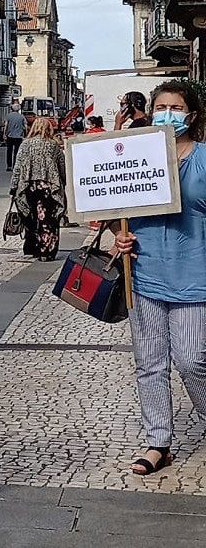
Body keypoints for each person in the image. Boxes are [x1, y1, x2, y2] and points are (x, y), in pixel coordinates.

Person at [114, 80, 206, 476]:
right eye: (161, 106)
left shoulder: (203, 158)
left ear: (192, 115)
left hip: (195, 276)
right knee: (149, 363)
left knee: (191, 361)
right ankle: (159, 442)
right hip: (145, 272)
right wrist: (120, 236)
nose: (168, 113)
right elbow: (119, 207)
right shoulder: (137, 155)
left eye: (176, 106)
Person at [9, 117, 66, 261]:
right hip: (48, 188)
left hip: (28, 186)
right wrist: (63, 183)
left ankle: (32, 247)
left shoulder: (25, 145)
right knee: (48, 219)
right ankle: (47, 250)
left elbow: (17, 167)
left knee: (31, 216)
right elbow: (62, 166)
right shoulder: (53, 145)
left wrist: (14, 186)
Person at [4, 103, 26, 171]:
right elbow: (25, 127)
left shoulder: (8, 116)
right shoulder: (21, 117)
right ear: (19, 109)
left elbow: (6, 126)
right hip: (19, 136)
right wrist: (25, 134)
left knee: (9, 151)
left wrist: (4, 134)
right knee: (17, 151)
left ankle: (9, 165)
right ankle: (15, 165)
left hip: (10, 136)